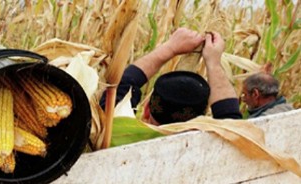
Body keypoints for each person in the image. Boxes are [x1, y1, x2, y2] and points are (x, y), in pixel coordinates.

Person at [101, 28, 242, 124]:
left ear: (146, 110)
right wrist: (214, 63)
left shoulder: (111, 135)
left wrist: (170, 47)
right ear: (201, 120)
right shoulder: (219, 152)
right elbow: (230, 120)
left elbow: (120, 86)